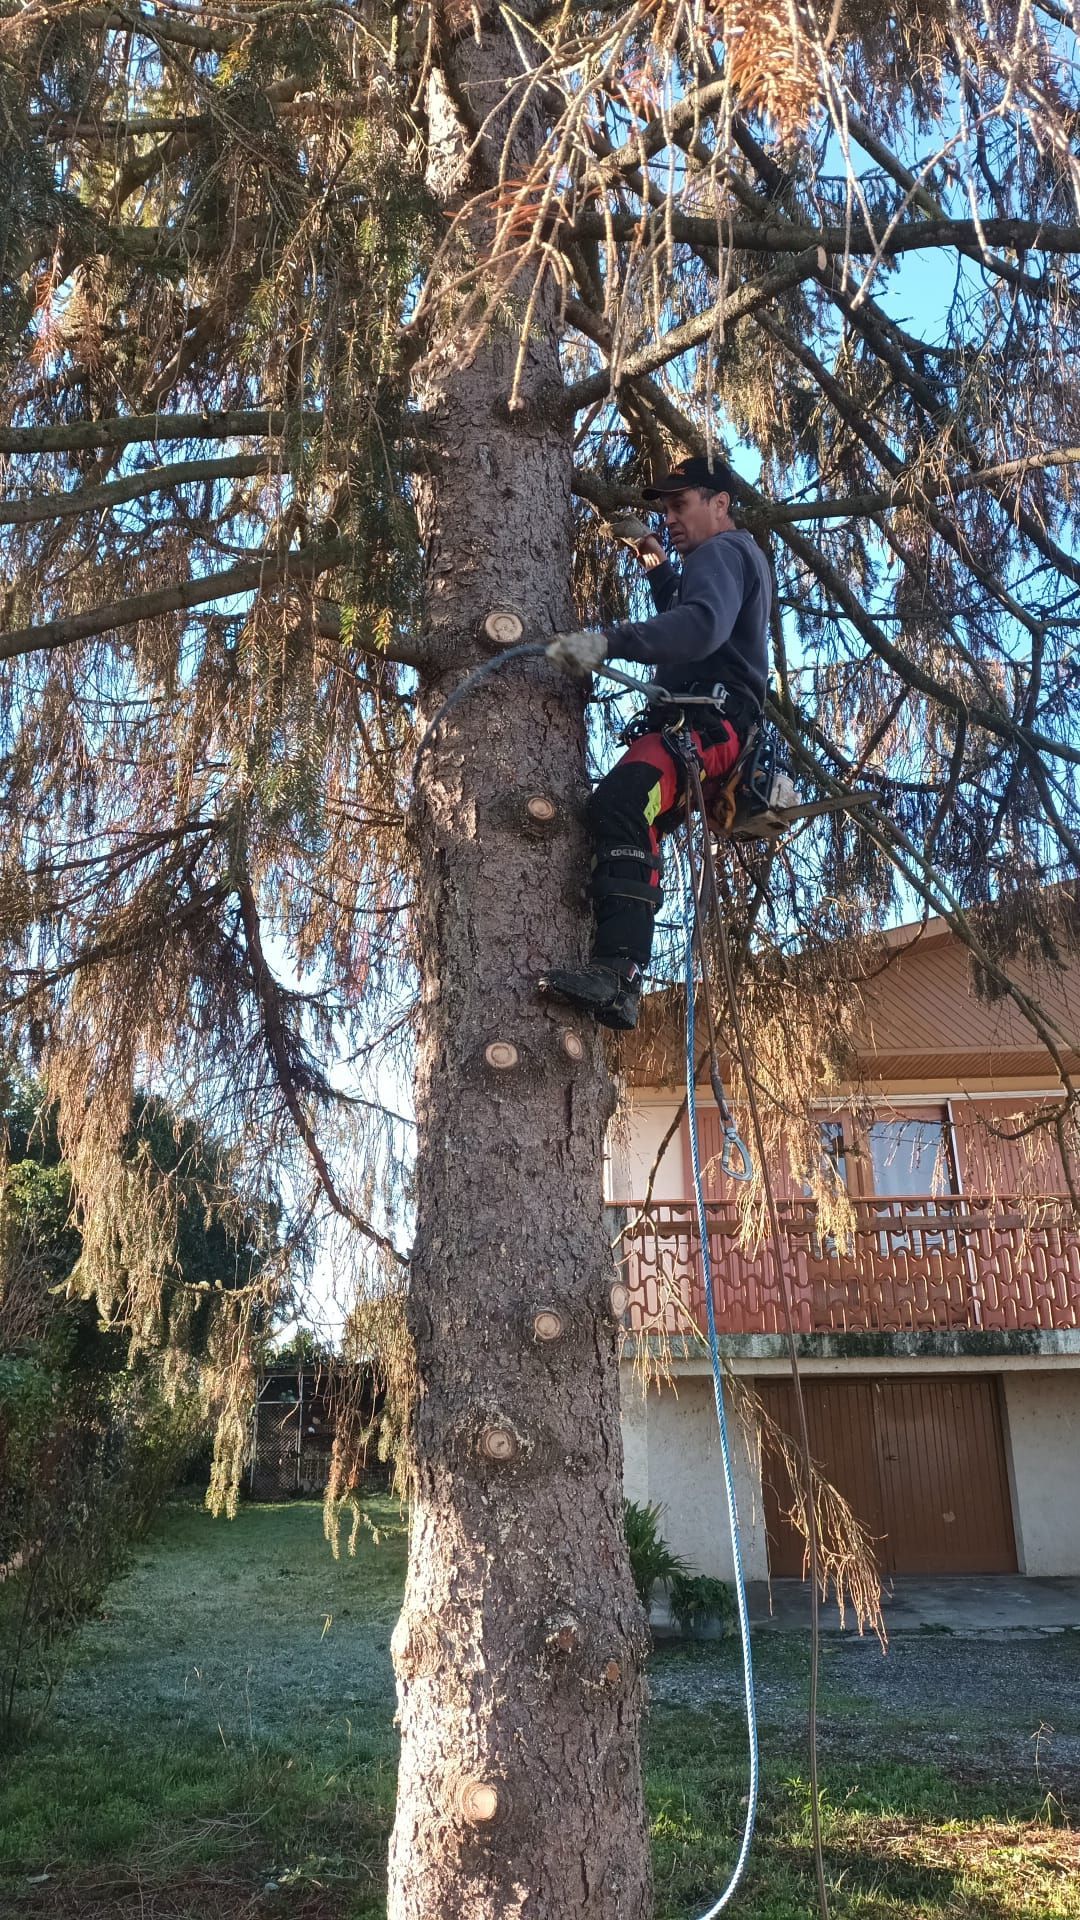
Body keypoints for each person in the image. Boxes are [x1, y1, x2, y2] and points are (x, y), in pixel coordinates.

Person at [539, 456, 772, 1032]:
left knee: (620, 804)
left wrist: (607, 642)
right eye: (663, 509)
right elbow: (687, 611)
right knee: (630, 822)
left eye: (679, 505)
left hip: (709, 727)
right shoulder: (726, 559)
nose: (670, 517)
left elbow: (698, 628)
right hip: (709, 729)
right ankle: (618, 973)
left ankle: (618, 975)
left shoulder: (724, 551)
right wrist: (649, 554)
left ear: (720, 503)